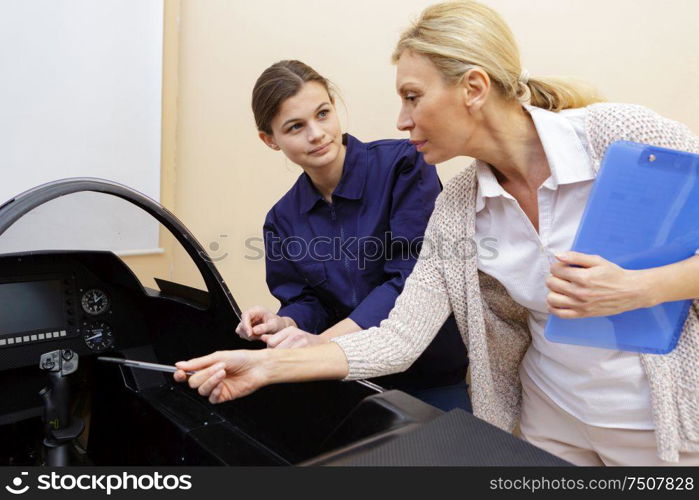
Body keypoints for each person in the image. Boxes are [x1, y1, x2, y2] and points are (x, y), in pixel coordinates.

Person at [175, 2, 699, 465]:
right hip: (550, 426)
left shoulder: (617, 135)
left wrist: (640, 288)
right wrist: (267, 364)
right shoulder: (457, 206)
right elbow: (400, 337)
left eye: (412, 97)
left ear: (472, 87)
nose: (401, 120)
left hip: (661, 424)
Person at [232, 60, 470, 411]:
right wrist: (286, 321)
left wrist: (322, 346)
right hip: (350, 384)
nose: (316, 134)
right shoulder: (281, 220)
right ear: (270, 140)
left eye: (323, 114)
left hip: (431, 377)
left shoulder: (404, 165)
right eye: (296, 126)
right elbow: (309, 300)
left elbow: (412, 276)